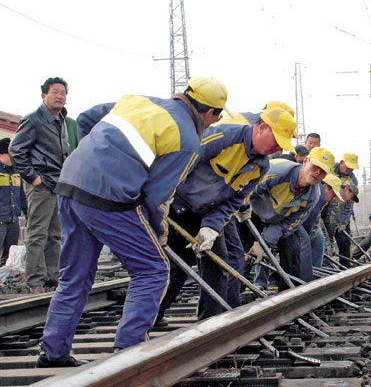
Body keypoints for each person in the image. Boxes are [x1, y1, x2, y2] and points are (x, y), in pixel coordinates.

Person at [36, 76, 226, 368]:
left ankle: (52, 354)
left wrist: (92, 154)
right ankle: (128, 354)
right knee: (153, 270)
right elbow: (156, 197)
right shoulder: (188, 140)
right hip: (110, 198)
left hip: (71, 183)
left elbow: (86, 118)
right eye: (217, 116)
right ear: (210, 113)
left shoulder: (138, 101)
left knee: (74, 276)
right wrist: (158, 230)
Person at [154, 104, 296, 325]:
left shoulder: (260, 167)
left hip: (208, 213)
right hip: (178, 207)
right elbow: (182, 159)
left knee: (218, 267)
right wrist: (164, 196)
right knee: (176, 268)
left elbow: (234, 200)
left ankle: (210, 326)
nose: (277, 150)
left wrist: (211, 226)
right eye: (276, 141)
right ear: (262, 128)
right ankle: (151, 316)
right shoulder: (224, 137)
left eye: (281, 146)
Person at [240, 147, 334, 290]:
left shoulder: (313, 196)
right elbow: (248, 189)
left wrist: (264, 242)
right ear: (306, 161)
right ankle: (233, 293)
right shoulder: (277, 172)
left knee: (293, 247)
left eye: (323, 171)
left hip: (277, 221)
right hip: (251, 213)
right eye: (316, 167)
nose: (317, 173)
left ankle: (288, 293)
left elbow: (290, 224)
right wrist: (241, 207)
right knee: (241, 253)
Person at [9, 77, 70, 293]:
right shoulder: (34, 119)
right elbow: (16, 150)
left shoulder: (61, 120)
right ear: (44, 95)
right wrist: (33, 177)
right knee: (37, 233)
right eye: (55, 92)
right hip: (41, 184)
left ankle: (52, 276)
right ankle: (35, 280)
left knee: (55, 234)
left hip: (57, 184)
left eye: (63, 92)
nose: (60, 96)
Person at [302, 173, 343, 269]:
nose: (331, 199)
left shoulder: (320, 195)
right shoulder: (319, 196)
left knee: (319, 238)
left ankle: (315, 272)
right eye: (332, 195)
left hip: (302, 222)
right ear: (325, 187)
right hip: (292, 222)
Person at [0, 138, 27, 266]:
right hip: (0, 219)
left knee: (9, 255)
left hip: (13, 220)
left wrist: (28, 213)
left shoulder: (16, 172)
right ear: (2, 154)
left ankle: (4, 280)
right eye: (10, 153)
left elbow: (21, 194)